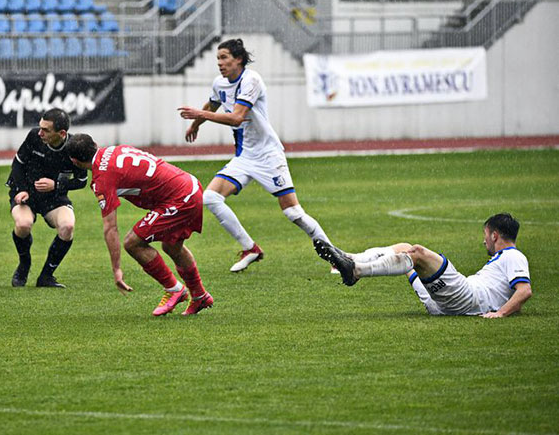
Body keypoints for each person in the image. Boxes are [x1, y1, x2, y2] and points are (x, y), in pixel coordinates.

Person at [178, 38, 334, 273]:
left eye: (224, 58)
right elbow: (212, 104)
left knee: (292, 212)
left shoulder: (251, 80)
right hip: (244, 157)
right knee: (209, 198)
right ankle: (250, 248)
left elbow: (237, 117)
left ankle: (335, 256)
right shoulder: (220, 83)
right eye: (218, 58)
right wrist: (196, 124)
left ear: (238, 59)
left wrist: (199, 115)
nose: (219, 63)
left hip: (268, 156)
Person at [65, 133, 213, 316]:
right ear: (95, 144)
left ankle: (174, 289)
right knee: (172, 247)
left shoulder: (102, 180)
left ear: (75, 161)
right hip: (190, 185)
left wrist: (116, 269)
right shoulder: (114, 149)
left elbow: (110, 227)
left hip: (180, 199)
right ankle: (199, 296)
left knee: (132, 242)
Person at [314, 213, 532, 317]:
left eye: (485, 235)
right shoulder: (502, 260)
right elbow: (515, 298)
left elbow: (524, 291)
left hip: (468, 297)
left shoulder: (513, 255)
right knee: (404, 249)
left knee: (417, 253)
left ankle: (355, 271)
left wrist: (500, 313)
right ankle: (350, 258)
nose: (484, 240)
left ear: (495, 235)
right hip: (442, 305)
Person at [6, 108, 88, 288]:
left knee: (67, 227)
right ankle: (24, 265)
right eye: (40, 127)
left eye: (46, 130)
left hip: (54, 197)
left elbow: (82, 181)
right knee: (23, 224)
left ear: (62, 133)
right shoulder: (34, 137)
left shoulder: (74, 147)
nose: (40, 132)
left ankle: (46, 276)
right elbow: (17, 165)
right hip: (26, 192)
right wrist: (20, 189)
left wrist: (57, 186)